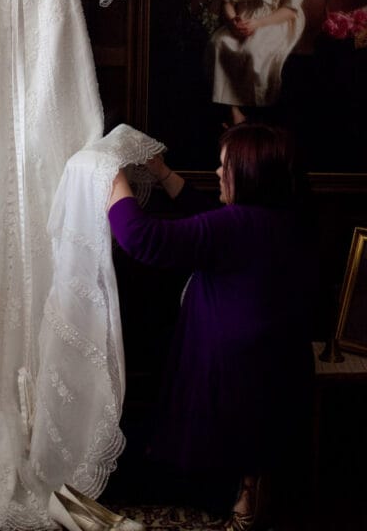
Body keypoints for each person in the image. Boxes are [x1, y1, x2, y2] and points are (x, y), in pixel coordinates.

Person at [107, 122, 318, 531]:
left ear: (252, 175)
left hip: (230, 374)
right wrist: (163, 172)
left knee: (174, 468)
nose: (218, 173)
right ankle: (250, 488)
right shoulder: (283, 218)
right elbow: (210, 214)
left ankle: (244, 496)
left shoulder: (236, 226)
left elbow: (140, 238)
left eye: (226, 167)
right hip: (272, 365)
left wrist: (110, 176)